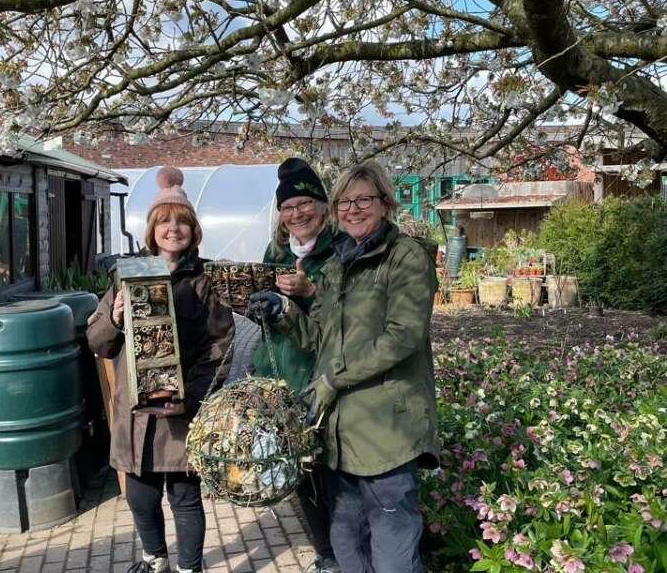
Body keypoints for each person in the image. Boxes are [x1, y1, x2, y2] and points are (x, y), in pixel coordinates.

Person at [248, 160, 440, 573]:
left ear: (385, 203)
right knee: (346, 542)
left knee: (392, 554)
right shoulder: (337, 265)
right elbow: (321, 337)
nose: (353, 209)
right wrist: (282, 312)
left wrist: (333, 379)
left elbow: (402, 336)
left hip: (386, 429)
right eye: (345, 202)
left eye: (363, 200)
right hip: (341, 435)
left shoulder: (404, 257)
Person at [87, 178, 235, 573]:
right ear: (151, 229)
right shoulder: (127, 275)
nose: (173, 228)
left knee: (185, 498)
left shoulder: (205, 283)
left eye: (182, 221)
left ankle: (189, 567)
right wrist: (116, 319)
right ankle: (154, 559)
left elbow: (220, 348)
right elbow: (97, 340)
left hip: (180, 414)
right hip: (134, 415)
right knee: (140, 496)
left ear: (194, 230)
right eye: (164, 221)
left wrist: (192, 397)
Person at [251, 157, 339, 573]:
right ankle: (325, 552)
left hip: (323, 373)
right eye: (288, 207)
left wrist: (310, 289)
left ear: (323, 206)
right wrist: (258, 307)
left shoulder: (340, 249)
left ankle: (343, 552)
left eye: (304, 203)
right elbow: (269, 314)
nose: (297, 213)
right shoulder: (276, 252)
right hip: (281, 372)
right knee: (298, 470)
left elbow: (346, 316)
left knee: (330, 471)